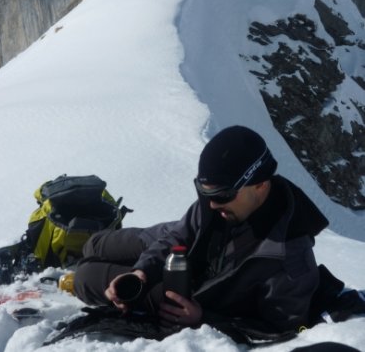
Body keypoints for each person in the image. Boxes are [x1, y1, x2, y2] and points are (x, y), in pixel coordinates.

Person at [74, 125, 329, 334]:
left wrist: (202, 318)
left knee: (85, 278)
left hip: (191, 294)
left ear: (260, 185)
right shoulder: (219, 202)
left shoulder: (290, 259)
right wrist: (143, 271)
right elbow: (177, 235)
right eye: (205, 193)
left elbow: (285, 329)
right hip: (178, 247)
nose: (212, 204)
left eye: (223, 195)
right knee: (95, 244)